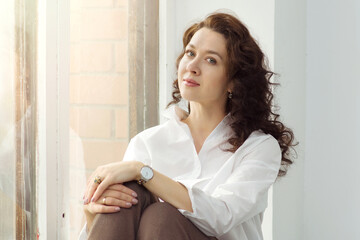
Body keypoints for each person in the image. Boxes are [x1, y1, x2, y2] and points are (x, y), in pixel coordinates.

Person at [78, 12, 295, 240]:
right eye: (190, 53)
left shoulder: (258, 147)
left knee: (161, 216)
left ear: (233, 81)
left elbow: (222, 217)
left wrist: (145, 173)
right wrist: (91, 208)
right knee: (128, 193)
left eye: (211, 60)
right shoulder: (147, 143)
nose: (192, 66)